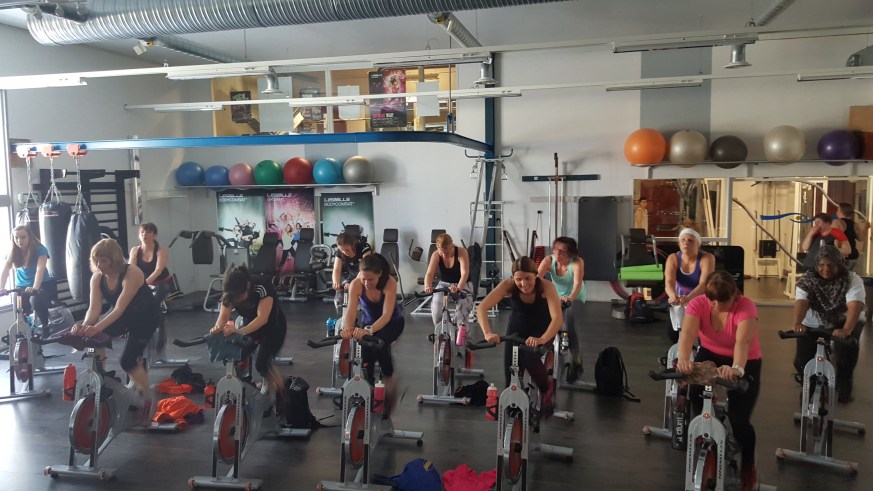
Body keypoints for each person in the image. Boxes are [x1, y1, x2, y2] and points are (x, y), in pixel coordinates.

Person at [676, 270, 761, 491]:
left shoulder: (746, 307)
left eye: (722, 301)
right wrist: (684, 360)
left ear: (734, 295)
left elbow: (743, 342)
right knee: (695, 394)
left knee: (740, 421)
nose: (716, 306)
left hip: (745, 360)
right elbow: (687, 334)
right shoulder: (698, 304)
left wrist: (737, 368)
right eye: (712, 301)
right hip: (710, 354)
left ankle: (748, 467)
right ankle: (708, 437)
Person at [71, 239, 160, 396]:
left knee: (127, 361)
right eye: (96, 260)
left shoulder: (132, 273)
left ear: (115, 259)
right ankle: (101, 379)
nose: (99, 265)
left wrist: (96, 328)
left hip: (145, 317)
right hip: (123, 315)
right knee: (94, 338)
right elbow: (94, 308)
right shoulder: (97, 278)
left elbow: (119, 308)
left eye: (104, 261)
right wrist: (84, 326)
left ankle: (148, 397)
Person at [476, 256, 563, 415]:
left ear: (536, 275)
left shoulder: (546, 286)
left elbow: (557, 319)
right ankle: (515, 413)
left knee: (528, 356)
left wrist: (542, 339)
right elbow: (482, 307)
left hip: (542, 329)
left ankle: (546, 389)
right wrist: (487, 332)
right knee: (510, 378)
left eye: (528, 278)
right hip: (517, 328)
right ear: (513, 278)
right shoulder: (508, 285)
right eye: (518, 279)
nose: (523, 284)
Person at [792, 245, 864, 404]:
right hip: (814, 320)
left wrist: (846, 329)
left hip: (844, 320)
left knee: (845, 355)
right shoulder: (807, 280)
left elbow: (855, 306)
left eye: (830, 265)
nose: (825, 269)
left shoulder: (851, 279)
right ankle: (809, 386)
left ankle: (844, 383)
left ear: (839, 264)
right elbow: (802, 302)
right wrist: (797, 323)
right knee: (801, 360)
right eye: (821, 265)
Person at [341, 253, 404, 414]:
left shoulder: (389, 282)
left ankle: (389, 380)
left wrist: (368, 331)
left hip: (392, 323)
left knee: (379, 344)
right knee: (365, 354)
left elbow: (386, 315)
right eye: (364, 279)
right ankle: (368, 388)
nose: (367, 283)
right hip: (368, 323)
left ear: (379, 274)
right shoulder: (356, 284)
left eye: (371, 279)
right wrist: (347, 329)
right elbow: (351, 312)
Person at [210, 265, 287, 396]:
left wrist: (239, 331)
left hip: (273, 327)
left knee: (262, 364)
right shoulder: (231, 293)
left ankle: (283, 395)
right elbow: (224, 315)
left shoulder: (261, 286)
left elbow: (262, 319)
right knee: (235, 355)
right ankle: (245, 385)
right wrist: (218, 327)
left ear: (247, 287)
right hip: (249, 324)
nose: (237, 301)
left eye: (239, 298)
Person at [536, 236, 586, 381]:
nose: (557, 253)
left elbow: (577, 284)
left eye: (562, 251)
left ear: (571, 253)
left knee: (568, 325)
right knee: (547, 321)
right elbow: (537, 280)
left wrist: (570, 298)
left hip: (575, 296)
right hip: (555, 296)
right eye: (555, 249)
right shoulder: (548, 260)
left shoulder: (577, 262)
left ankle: (576, 359)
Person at [0, 225, 59, 337]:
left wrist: (35, 288)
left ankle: (45, 326)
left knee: (35, 301)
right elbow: (5, 270)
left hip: (42, 283)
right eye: (16, 238)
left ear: (29, 237)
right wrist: (1, 287)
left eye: (23, 237)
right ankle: (27, 330)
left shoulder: (40, 249)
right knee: (19, 308)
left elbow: (40, 270)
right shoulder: (12, 251)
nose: (19, 241)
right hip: (21, 286)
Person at [664, 227, 715, 337]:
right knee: (674, 334)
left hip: (700, 300)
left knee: (699, 334)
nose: (686, 243)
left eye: (690, 241)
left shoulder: (707, 258)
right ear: (679, 243)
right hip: (680, 301)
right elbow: (669, 282)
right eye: (683, 240)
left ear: (698, 244)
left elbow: (704, 284)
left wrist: (689, 298)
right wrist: (673, 296)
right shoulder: (673, 258)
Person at [424, 234, 474, 338]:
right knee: (436, 309)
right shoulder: (436, 254)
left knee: (461, 316)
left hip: (463, 283)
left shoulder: (462, 252)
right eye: (441, 253)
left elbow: (464, 273)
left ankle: (463, 340)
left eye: (447, 253)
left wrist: (458, 288)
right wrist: (427, 286)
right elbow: (429, 273)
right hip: (444, 284)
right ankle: (442, 334)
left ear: (452, 246)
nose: (444, 255)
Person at [129, 222, 174, 305]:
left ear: (154, 235)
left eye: (148, 232)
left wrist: (143, 285)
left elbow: (158, 271)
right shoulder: (134, 250)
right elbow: (131, 269)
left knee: (153, 303)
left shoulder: (162, 251)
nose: (144, 234)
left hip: (162, 282)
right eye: (142, 232)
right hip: (143, 283)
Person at [331, 230, 373, 302]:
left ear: (353, 245)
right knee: (340, 294)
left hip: (366, 275)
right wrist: (336, 282)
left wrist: (354, 283)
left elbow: (365, 268)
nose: (344, 252)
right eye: (342, 250)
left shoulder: (364, 247)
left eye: (347, 250)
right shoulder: (339, 252)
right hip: (351, 277)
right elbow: (336, 269)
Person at [835, 202, 869, 272]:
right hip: (852, 255)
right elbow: (861, 238)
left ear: (840, 211)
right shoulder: (855, 225)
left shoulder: (837, 223)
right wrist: (866, 228)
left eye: (838, 210)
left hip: (842, 256)